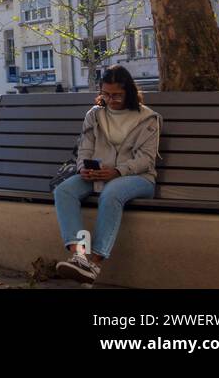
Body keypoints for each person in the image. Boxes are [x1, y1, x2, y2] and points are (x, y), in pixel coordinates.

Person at [53, 65, 161, 284]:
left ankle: (94, 264)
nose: (111, 99)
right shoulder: (94, 115)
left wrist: (118, 171)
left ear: (129, 92)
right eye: (106, 94)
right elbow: (85, 148)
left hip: (138, 178)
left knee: (111, 194)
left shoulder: (148, 118)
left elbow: (146, 160)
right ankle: (80, 256)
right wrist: (84, 167)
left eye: (117, 95)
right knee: (64, 191)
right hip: (99, 174)